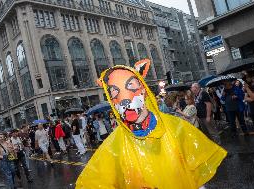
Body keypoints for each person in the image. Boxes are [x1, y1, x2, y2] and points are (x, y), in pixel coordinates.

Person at [76, 59, 226, 188]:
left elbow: (196, 173)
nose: (125, 99)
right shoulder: (113, 147)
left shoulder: (177, 129)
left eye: (131, 86)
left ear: (144, 90)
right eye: (114, 92)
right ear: (112, 101)